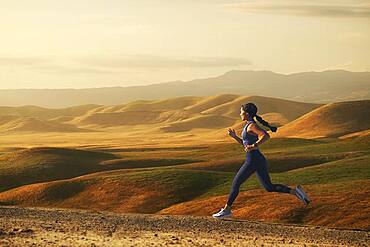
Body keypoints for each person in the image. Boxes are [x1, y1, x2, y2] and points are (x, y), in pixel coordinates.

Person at [212, 103, 310, 219]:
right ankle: (295, 192)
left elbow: (266, 135)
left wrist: (255, 145)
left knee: (236, 183)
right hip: (257, 159)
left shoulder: (251, 126)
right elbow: (245, 145)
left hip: (253, 160)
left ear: (246, 113)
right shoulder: (248, 125)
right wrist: (235, 137)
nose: (240, 114)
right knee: (269, 187)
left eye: (241, 111)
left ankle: (226, 210)